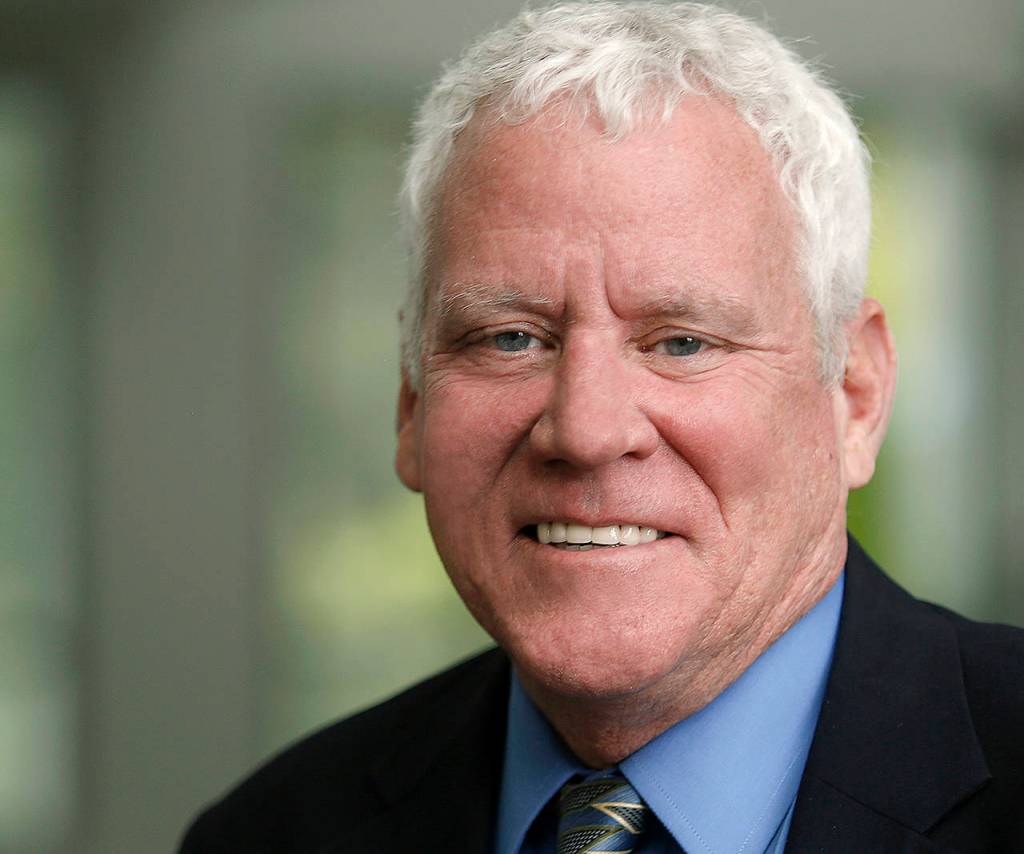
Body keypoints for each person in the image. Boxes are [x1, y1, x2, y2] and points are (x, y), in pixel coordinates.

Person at [180, 3, 1024, 851]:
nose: (584, 432)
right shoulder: (272, 833)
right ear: (411, 399)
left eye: (682, 342)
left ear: (855, 394)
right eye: (510, 338)